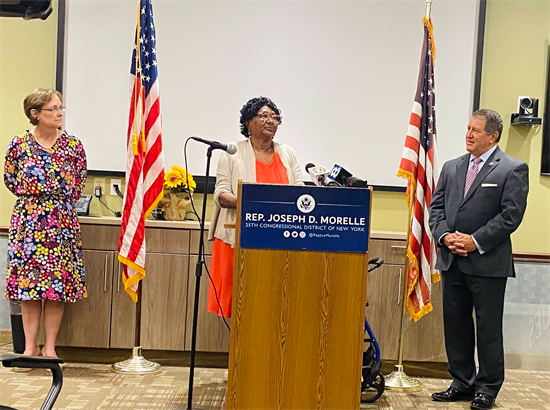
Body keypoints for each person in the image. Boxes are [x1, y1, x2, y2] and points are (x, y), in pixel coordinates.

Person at [429, 109, 529, 410]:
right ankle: (462, 381)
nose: (468, 134)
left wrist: (475, 241)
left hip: (487, 262)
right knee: (455, 325)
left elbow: (511, 216)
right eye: (468, 128)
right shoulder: (451, 167)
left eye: (476, 130)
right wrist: (446, 237)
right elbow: (436, 209)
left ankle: (487, 387)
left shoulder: (512, 168)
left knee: (487, 327)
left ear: (493, 136)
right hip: (452, 259)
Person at [4, 88, 88, 358]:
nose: (60, 112)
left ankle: (50, 347)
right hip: (28, 220)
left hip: (61, 222)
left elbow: (78, 182)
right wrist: (35, 198)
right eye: (53, 108)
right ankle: (30, 347)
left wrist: (55, 202)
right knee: (29, 288)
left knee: (56, 288)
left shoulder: (73, 146)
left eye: (61, 107)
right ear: (35, 114)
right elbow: (11, 179)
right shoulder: (19, 144)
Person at [207, 96, 303, 318]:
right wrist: (256, 202)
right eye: (264, 116)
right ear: (248, 122)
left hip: (281, 238)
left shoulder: (287, 153)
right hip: (238, 237)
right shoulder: (232, 153)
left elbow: (300, 191)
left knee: (275, 302)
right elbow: (221, 195)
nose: (271, 121)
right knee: (241, 302)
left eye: (275, 117)